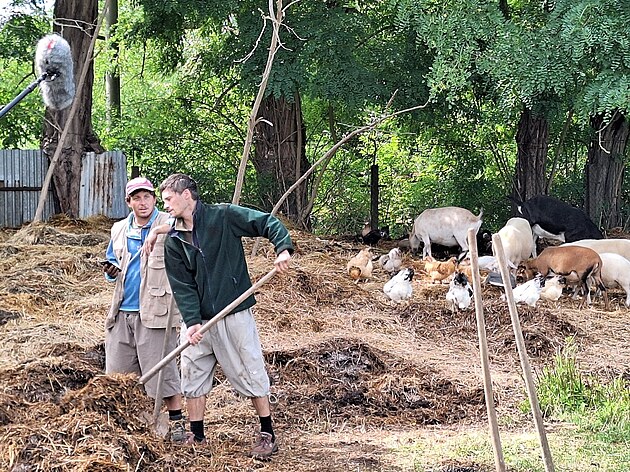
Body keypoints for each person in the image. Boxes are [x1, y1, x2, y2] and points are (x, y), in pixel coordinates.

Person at [150, 173, 292, 459]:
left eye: (168, 199)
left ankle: (267, 433)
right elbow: (182, 285)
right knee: (192, 373)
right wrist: (192, 323)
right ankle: (197, 435)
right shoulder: (174, 240)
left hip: (233, 313)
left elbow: (267, 222)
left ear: (186, 195)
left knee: (250, 369)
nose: (165, 205)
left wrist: (283, 249)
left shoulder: (223, 216)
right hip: (199, 321)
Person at [103, 176, 186, 443]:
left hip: (156, 310)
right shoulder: (119, 229)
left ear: (154, 199)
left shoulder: (169, 222)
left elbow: (189, 230)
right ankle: (131, 425)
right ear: (128, 202)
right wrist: (110, 272)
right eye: (136, 198)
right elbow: (112, 262)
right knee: (119, 374)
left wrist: (157, 232)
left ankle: (177, 424)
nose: (143, 202)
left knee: (163, 371)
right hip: (121, 311)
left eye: (147, 197)